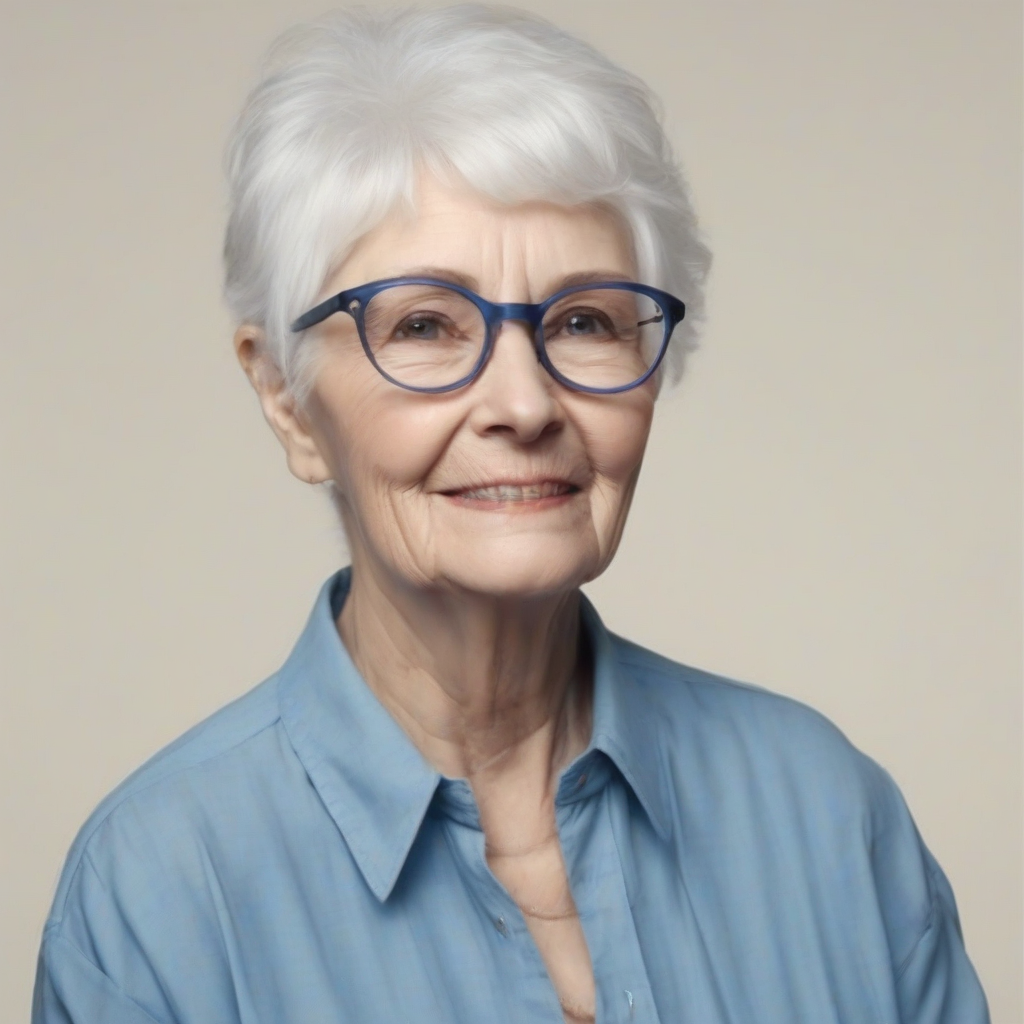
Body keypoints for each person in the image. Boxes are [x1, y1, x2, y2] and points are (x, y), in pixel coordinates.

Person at [32, 6, 989, 1023]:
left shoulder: (826, 814)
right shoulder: (161, 895)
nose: (525, 404)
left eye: (583, 320)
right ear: (285, 399)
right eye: (427, 325)